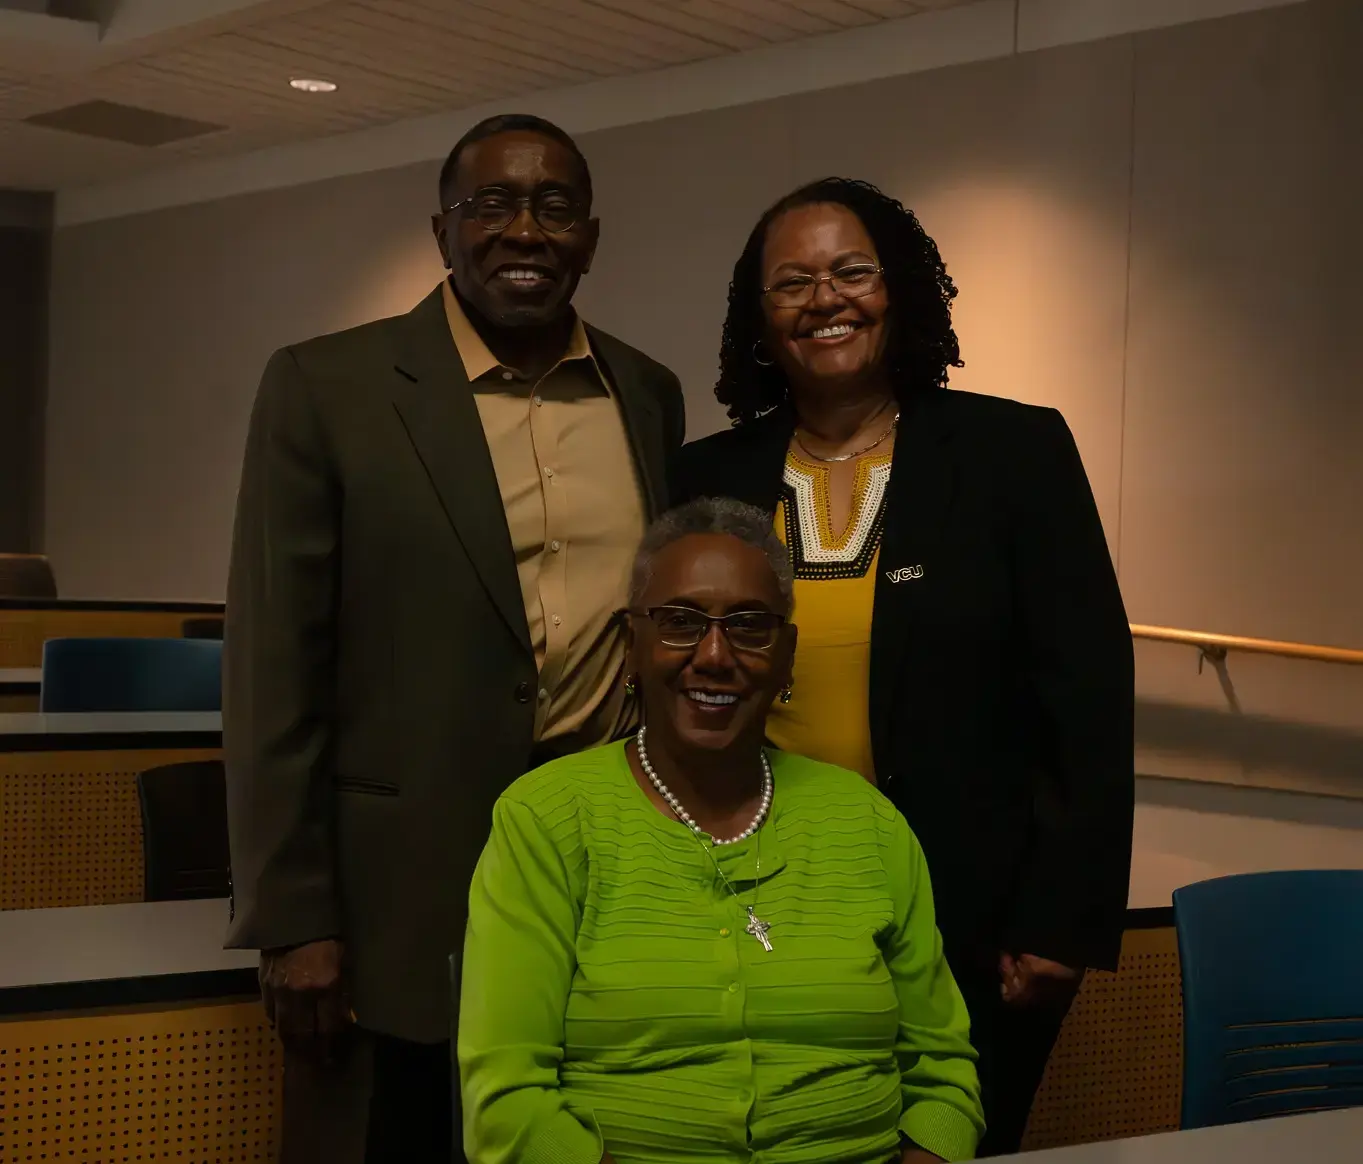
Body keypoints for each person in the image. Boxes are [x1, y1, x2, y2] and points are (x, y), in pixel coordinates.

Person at [223, 113, 684, 1163]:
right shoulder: (326, 388)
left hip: (600, 886)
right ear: (441, 232)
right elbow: (272, 671)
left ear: (591, 238)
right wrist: (293, 920)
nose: (524, 229)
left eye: (553, 206)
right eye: (491, 205)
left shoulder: (645, 395)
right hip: (395, 909)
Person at [672, 178, 1134, 1156]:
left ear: (901, 290)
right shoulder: (706, 476)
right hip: (757, 912)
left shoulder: (1014, 452)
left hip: (971, 923)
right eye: (790, 282)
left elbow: (1086, 699)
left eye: (851, 271)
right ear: (758, 318)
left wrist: (1063, 920)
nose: (824, 299)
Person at [458, 498, 985, 1164]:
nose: (713, 655)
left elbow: (942, 1074)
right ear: (631, 646)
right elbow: (508, 1101)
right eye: (679, 623)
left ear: (786, 654)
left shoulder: (867, 823)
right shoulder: (546, 820)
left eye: (749, 626)